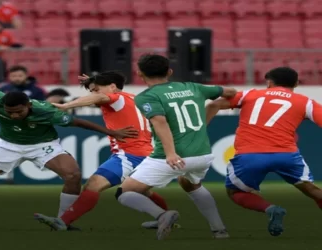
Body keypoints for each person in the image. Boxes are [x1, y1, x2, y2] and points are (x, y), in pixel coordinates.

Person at [0, 49, 137, 230]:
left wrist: (112, 133)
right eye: (10, 112)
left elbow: (78, 122)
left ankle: (63, 220)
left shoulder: (45, 110)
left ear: (29, 106)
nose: (14, 115)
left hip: (43, 145)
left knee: (73, 175)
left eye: (18, 112)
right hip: (7, 145)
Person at [114, 54, 236, 240]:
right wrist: (222, 103)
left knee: (124, 192)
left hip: (170, 157)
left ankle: (162, 215)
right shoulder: (192, 87)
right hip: (202, 155)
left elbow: (160, 123)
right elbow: (230, 92)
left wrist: (171, 153)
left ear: (139, 73)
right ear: (169, 71)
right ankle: (219, 230)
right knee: (191, 185)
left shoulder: (147, 96)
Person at [33, 71, 174, 230]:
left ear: (113, 87)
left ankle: (63, 221)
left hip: (129, 154)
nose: (94, 94)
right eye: (92, 91)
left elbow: (102, 97)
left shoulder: (116, 98)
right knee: (141, 191)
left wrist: (67, 105)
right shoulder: (134, 98)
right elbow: (103, 93)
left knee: (93, 185)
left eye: (96, 89)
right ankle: (166, 217)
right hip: (146, 153)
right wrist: (95, 83)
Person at [205, 67, 322, 237]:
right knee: (311, 190)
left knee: (236, 192)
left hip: (250, 155)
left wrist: (200, 131)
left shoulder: (249, 95)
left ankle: (271, 209)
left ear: (269, 82)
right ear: (296, 83)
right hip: (287, 155)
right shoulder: (305, 102)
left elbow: (214, 104)